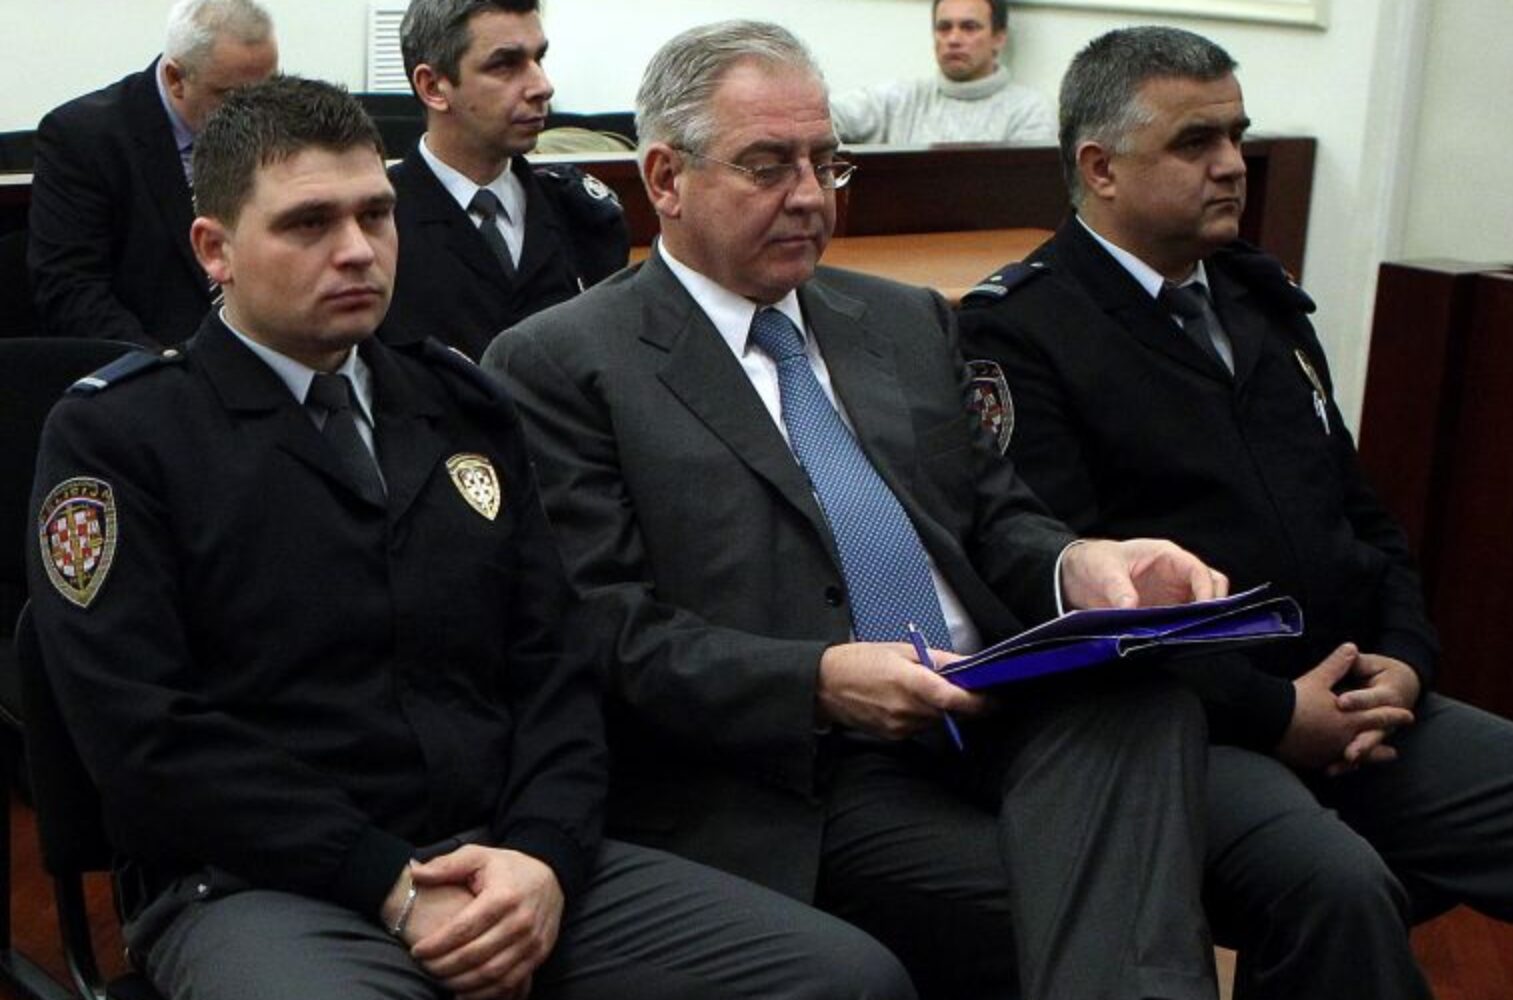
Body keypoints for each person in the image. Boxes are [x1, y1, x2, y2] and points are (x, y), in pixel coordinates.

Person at [26, 74, 921, 1000]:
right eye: (309, 224)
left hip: (501, 856)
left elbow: (554, 665)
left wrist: (542, 855)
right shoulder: (126, 437)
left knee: (848, 980)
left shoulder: (458, 403)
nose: (356, 251)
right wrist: (386, 880)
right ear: (215, 249)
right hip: (263, 880)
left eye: (376, 215)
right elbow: (143, 734)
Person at [484, 21, 1227, 1000]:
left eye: (825, 163)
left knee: (1156, 713)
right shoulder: (565, 363)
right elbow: (609, 631)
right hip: (800, 768)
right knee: (1108, 906)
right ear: (665, 179)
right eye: (767, 166)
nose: (808, 195)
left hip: (993, 707)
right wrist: (819, 681)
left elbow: (992, 516)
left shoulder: (902, 319)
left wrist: (1077, 563)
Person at [957, 25, 1513, 1000]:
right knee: (1338, 889)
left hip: (1352, 693)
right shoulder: (1022, 328)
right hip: (1180, 724)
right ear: (1100, 168)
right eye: (1194, 143)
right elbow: (1059, 604)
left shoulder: (1258, 304)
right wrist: (1276, 712)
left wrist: (1405, 658)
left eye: (1236, 136)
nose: (1230, 165)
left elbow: (1364, 520)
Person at [383, 0, 628, 360]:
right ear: (433, 87)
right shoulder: (377, 225)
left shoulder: (583, 217)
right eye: (505, 65)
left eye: (539, 59)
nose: (542, 86)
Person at [27, 0, 278, 347]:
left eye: (266, 91)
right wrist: (162, 368)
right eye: (231, 96)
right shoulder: (84, 138)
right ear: (176, 79)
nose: (253, 113)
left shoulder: (280, 126)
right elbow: (71, 289)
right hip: (155, 357)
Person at [831, 0, 1052, 145]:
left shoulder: (1030, 111)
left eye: (969, 27)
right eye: (944, 27)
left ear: (998, 38)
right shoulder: (901, 99)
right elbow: (826, 117)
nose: (953, 39)